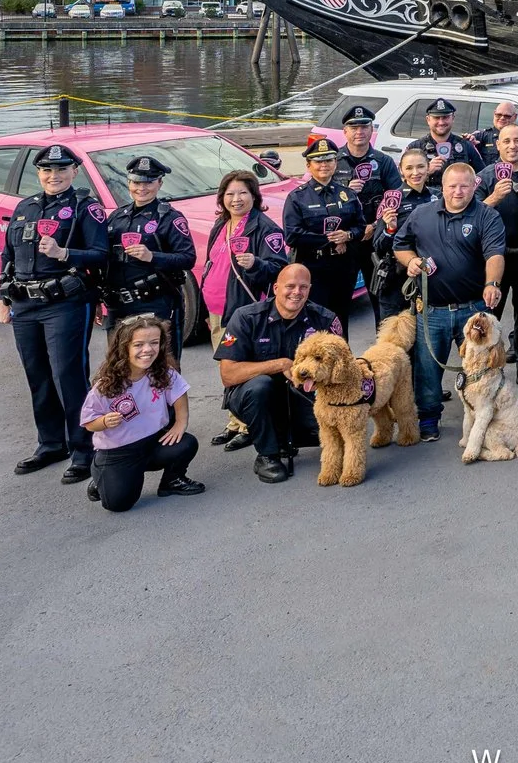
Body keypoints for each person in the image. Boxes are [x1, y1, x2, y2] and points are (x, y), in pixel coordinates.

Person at [0, 143, 108, 483]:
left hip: (66, 303)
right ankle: (50, 443)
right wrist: (3, 296)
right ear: (38, 173)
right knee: (39, 376)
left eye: (61, 170)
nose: (54, 176)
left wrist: (65, 253)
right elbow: (8, 256)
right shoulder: (25, 207)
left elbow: (100, 254)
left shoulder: (84, 208)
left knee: (69, 377)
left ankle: (84, 449)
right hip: (25, 304)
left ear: (74, 172)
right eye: (47, 170)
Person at [394, 162, 507, 443]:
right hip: (432, 310)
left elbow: (495, 254)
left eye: (464, 185)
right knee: (427, 368)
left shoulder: (487, 215)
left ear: (475, 186)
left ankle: (488, 412)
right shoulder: (421, 214)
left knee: (484, 367)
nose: (458, 191)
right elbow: (400, 245)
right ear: (442, 187)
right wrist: (411, 262)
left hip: (472, 309)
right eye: (452, 186)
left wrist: (492, 283)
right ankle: (429, 418)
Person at [215, 263, 344, 483]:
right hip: (256, 397)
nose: (297, 292)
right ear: (275, 288)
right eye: (290, 286)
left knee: (322, 431)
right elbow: (228, 375)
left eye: (303, 287)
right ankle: (268, 456)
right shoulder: (246, 317)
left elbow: (343, 367)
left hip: (305, 395)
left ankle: (294, 439)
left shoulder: (325, 319)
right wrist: (281, 364)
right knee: (260, 387)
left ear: (310, 290)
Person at [202, 170, 291, 448]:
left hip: (244, 312)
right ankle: (235, 420)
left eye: (242, 193)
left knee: (243, 369)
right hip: (217, 311)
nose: (236, 199)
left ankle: (248, 425)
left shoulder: (265, 229)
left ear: (254, 195)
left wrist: (256, 264)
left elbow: (279, 269)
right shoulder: (222, 224)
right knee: (226, 368)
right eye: (230, 194)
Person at [78, 314, 204, 511]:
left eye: (154, 343)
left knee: (186, 443)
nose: (147, 350)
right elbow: (88, 421)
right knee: (118, 504)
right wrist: (103, 421)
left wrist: (181, 422)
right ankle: (101, 477)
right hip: (119, 451)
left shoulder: (163, 372)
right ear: (124, 347)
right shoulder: (107, 384)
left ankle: (172, 481)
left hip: (152, 441)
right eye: (138, 345)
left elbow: (179, 392)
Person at [98, 154, 196, 363]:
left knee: (163, 370)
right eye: (136, 182)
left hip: (156, 303)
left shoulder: (169, 218)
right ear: (128, 182)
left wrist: (152, 256)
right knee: (119, 368)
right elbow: (104, 261)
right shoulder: (117, 217)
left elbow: (188, 258)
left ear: (160, 183)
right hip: (119, 306)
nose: (141, 188)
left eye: (149, 182)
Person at [282, 137, 366, 330]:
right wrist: (329, 240)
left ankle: (342, 357)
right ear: (308, 165)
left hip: (343, 267)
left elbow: (360, 226)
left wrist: (348, 235)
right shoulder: (298, 197)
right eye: (318, 161)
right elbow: (292, 235)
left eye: (329, 160)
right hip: (313, 268)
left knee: (340, 318)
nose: (324, 165)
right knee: (314, 319)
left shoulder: (347, 194)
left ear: (336, 162)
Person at [479, 124, 518, 384]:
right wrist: (494, 197)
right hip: (496, 256)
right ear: (498, 144)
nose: (513, 146)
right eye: (507, 141)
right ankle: (486, 370)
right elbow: (472, 212)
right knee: (489, 316)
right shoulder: (486, 175)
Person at [337, 105, 403, 327]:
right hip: (344, 242)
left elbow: (396, 198)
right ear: (345, 131)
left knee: (380, 298)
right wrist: (344, 189)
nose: (359, 131)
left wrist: (376, 225)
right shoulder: (332, 161)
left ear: (371, 130)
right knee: (340, 303)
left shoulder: (383, 162)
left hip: (374, 239)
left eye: (364, 126)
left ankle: (380, 356)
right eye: (353, 127)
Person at [403, 98, 487, 201]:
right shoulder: (415, 147)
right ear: (428, 120)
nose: (441, 122)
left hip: (458, 201)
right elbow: (403, 182)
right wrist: (426, 171)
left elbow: (482, 176)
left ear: (453, 118)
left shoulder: (465, 145)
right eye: (436, 118)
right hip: (425, 202)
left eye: (445, 117)